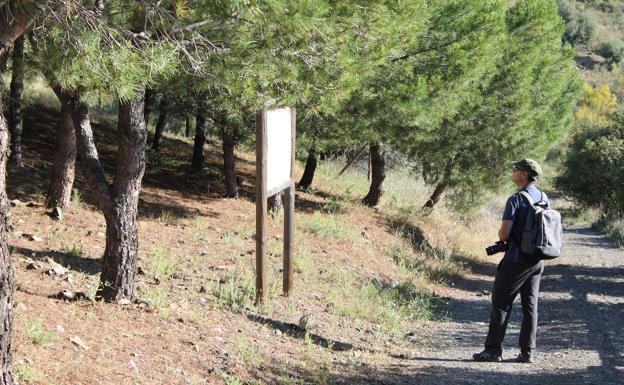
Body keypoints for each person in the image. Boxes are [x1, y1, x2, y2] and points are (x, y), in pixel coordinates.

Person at [473, 159, 548, 364]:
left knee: (501, 304)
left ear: (524, 174)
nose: (513, 172)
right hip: (537, 260)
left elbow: (505, 234)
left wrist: (501, 234)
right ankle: (527, 353)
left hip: (515, 260)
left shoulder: (516, 199)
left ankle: (493, 351)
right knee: (530, 306)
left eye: (516, 169)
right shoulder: (543, 197)